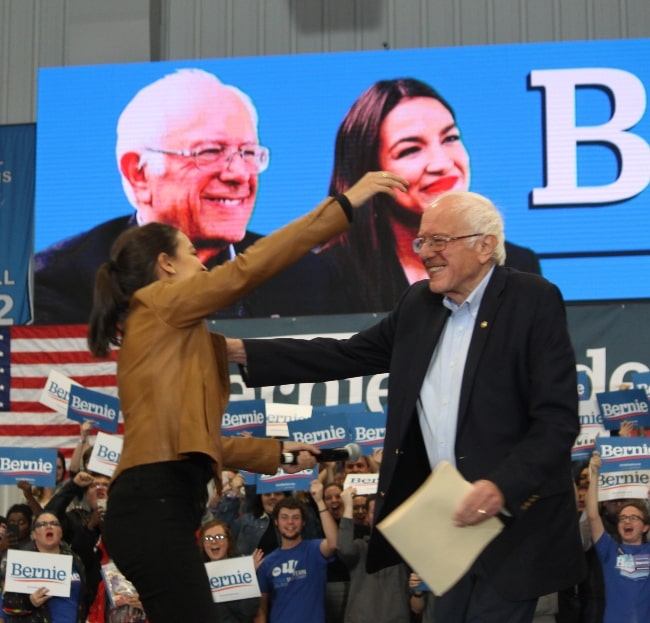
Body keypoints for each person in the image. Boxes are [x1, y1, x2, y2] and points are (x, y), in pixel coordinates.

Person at [228, 190, 585, 622]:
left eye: (440, 241)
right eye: (421, 242)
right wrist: (240, 351)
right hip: (447, 524)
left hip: (514, 519)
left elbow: (557, 420)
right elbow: (344, 354)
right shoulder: (419, 305)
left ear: (485, 244)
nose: (426, 253)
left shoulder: (531, 299)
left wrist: (500, 486)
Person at [87, 170, 406, 623]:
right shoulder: (159, 302)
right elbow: (249, 268)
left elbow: (196, 444)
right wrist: (345, 205)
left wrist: (277, 452)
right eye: (193, 254)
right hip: (154, 506)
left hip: (157, 506)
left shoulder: (171, 330)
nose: (203, 264)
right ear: (166, 264)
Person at [34, 68, 339, 324]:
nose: (238, 174)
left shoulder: (300, 274)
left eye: (248, 153)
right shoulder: (65, 279)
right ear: (139, 173)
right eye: (209, 152)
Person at [318, 77, 540, 314]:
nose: (441, 163)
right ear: (369, 171)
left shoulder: (516, 264)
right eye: (410, 150)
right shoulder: (328, 275)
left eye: (450, 138)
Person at [255, 482, 338, 623]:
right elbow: (261, 610)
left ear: (303, 522)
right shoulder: (266, 562)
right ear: (276, 522)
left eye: (296, 517)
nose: (290, 523)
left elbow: (334, 543)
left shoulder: (314, 550)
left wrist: (319, 501)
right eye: (285, 517)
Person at [586, 451, 650, 622]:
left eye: (634, 518)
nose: (627, 521)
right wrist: (594, 475)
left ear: (645, 527)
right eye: (623, 518)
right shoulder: (609, 550)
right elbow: (592, 516)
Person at [0, 510, 88, 622]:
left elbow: (83, 600)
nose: (49, 527)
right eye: (42, 524)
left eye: (54, 524)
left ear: (61, 532)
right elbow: (7, 606)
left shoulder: (74, 559)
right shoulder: (21, 561)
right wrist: (29, 602)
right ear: (33, 534)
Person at [337, 487, 410, 622]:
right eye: (373, 511)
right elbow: (344, 549)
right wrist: (348, 507)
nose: (379, 514)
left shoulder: (404, 547)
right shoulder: (360, 546)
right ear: (367, 517)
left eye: (383, 509)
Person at [200, 519, 262, 622]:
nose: (213, 541)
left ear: (228, 541)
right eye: (208, 538)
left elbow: (249, 612)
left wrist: (250, 574)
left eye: (219, 537)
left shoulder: (243, 569)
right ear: (203, 544)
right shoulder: (197, 574)